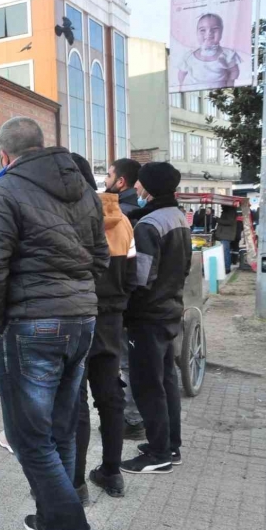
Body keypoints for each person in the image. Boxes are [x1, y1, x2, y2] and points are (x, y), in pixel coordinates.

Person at [0, 117, 108, 530]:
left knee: (29, 439)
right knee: (60, 431)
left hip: (32, 324)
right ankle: (54, 522)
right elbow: (100, 256)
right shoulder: (83, 188)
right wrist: (78, 294)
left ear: (5, 155)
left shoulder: (5, 189)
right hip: (80, 319)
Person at [70, 153, 136, 502]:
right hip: (112, 319)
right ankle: (112, 473)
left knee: (76, 402)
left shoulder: (72, 221)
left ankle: (76, 483)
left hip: (78, 316)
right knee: (111, 398)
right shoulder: (123, 222)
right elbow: (135, 277)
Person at [122, 162, 191, 474]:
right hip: (171, 311)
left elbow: (141, 277)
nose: (135, 188)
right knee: (166, 381)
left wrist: (125, 306)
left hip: (148, 317)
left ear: (148, 188)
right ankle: (169, 445)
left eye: (139, 184)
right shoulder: (178, 217)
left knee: (148, 385)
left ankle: (158, 454)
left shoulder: (149, 225)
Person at [104, 157, 145, 440]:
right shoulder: (140, 212)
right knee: (128, 362)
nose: (105, 181)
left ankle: (131, 419)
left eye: (108, 175)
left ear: (120, 181)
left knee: (122, 363)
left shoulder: (124, 215)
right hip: (129, 300)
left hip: (116, 305)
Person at [178, 13, 241, 90]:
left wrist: (230, 83)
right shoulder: (189, 56)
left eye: (214, 29)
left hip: (218, 93)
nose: (209, 33)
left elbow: (234, 71)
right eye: (202, 30)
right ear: (196, 33)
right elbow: (181, 74)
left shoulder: (228, 54)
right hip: (194, 91)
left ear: (222, 32)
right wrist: (181, 87)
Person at [214, 205, 238, 273]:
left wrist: (218, 219)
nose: (221, 206)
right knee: (225, 251)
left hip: (226, 235)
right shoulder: (227, 211)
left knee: (225, 251)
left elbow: (229, 222)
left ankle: (227, 267)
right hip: (225, 235)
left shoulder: (230, 212)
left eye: (222, 205)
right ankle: (225, 267)